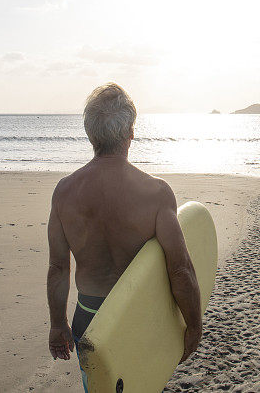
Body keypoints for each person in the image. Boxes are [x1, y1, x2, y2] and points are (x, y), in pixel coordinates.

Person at [46, 82, 202, 389]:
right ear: (130, 132)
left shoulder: (64, 193)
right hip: (140, 313)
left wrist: (57, 323)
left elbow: (58, 268)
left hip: (91, 318)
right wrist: (194, 325)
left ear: (90, 134)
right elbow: (180, 268)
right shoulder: (155, 193)